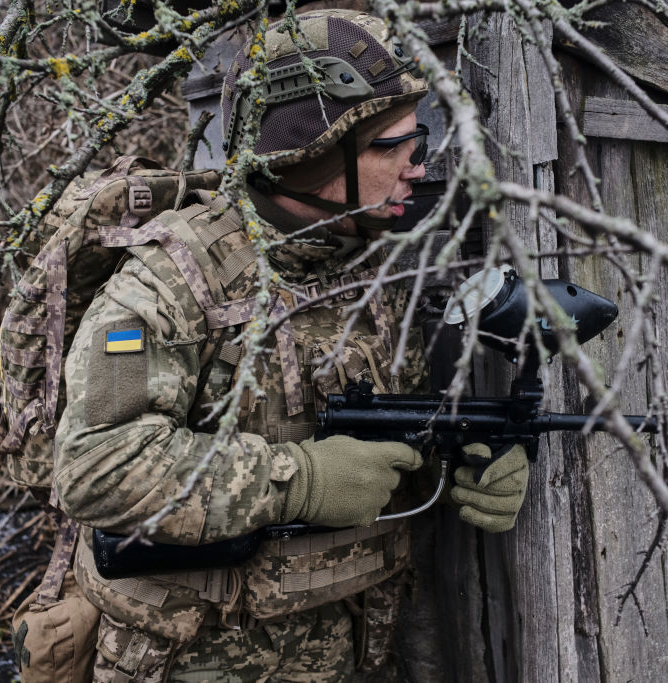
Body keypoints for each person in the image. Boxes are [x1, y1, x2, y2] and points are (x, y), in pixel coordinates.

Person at [53, 8, 529, 680]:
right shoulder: (168, 285)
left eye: (415, 141)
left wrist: (462, 461)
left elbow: (390, 437)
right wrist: (297, 481)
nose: (415, 169)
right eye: (389, 146)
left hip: (355, 651)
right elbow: (95, 469)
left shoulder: (368, 267)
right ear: (309, 148)